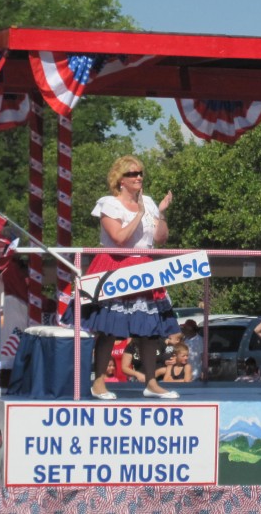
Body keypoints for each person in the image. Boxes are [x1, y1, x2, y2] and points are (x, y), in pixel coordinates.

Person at [79, 155, 180, 400]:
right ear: (120, 180)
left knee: (149, 329)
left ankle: (151, 383)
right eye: (132, 174)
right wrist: (139, 214)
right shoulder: (109, 204)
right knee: (109, 327)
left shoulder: (149, 201)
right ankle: (99, 382)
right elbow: (120, 239)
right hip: (116, 264)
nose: (138, 177)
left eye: (140, 173)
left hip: (144, 266)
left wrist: (161, 213)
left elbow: (160, 239)